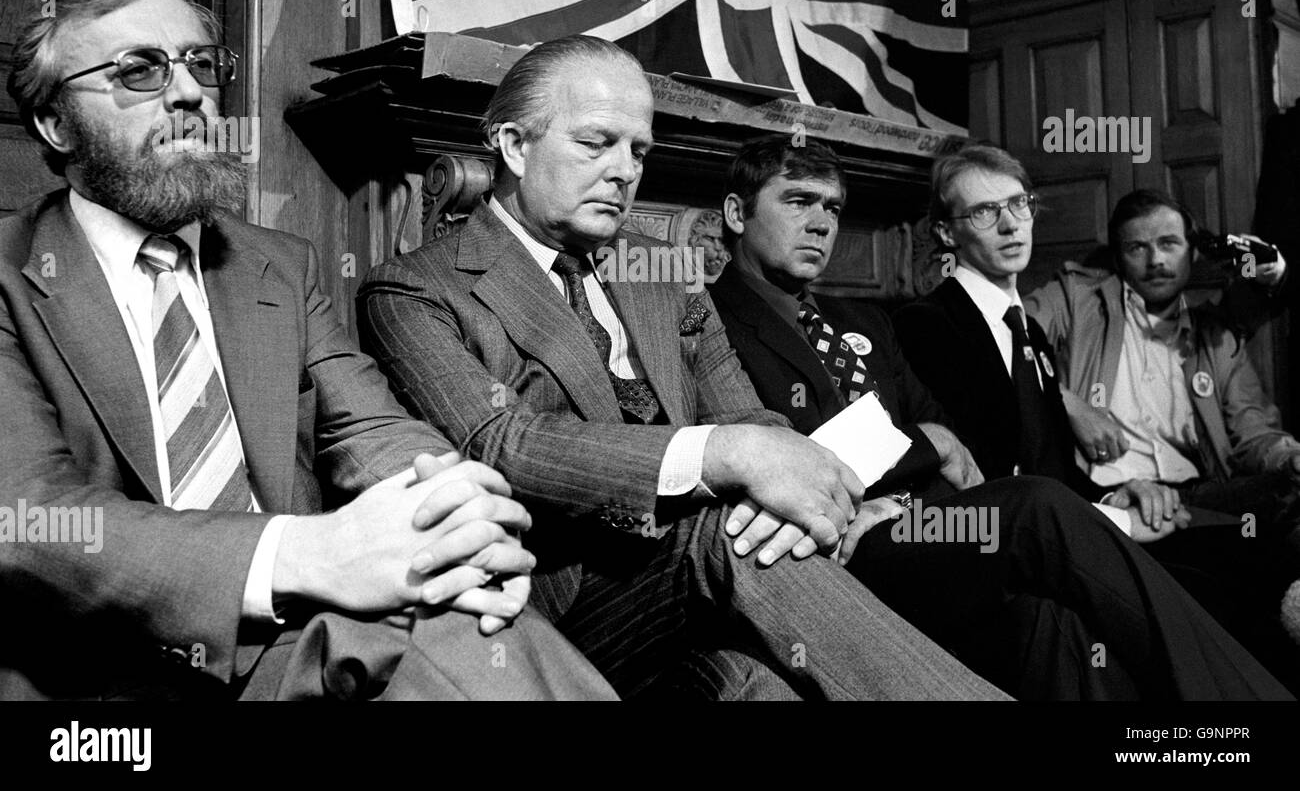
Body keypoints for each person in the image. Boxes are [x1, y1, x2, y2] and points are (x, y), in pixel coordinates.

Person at [0, 0, 615, 700]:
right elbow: (30, 522)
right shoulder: (9, 272)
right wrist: (308, 553)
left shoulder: (278, 265)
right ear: (55, 123)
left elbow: (369, 429)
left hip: (295, 640)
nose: (190, 92)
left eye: (199, 63)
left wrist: (454, 509)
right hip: (104, 668)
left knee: (472, 622)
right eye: (140, 71)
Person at [357, 34, 1010, 700]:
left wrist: (771, 479)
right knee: (726, 535)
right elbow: (501, 446)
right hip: (545, 613)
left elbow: (750, 417)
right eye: (595, 142)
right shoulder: (413, 290)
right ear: (516, 146)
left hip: (693, 596)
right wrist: (724, 455)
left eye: (637, 150)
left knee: (753, 684)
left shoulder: (662, 272)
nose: (624, 171)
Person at [708, 132, 1294, 699]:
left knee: (1057, 620)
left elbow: (945, 438)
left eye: (833, 207)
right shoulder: (710, 324)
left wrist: (922, 460)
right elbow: (797, 454)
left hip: (927, 520)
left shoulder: (862, 320)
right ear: (737, 212)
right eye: (798, 202)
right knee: (1038, 507)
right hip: (847, 548)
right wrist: (921, 450)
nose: (821, 223)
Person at [893, 144, 1294, 696]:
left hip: (1086, 515)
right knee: (1193, 596)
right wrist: (1112, 518)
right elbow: (986, 483)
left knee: (1238, 570)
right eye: (985, 212)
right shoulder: (930, 324)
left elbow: (1050, 466)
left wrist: (1117, 496)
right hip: (1010, 544)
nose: (1011, 225)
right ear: (944, 233)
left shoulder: (1025, 332)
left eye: (1019, 204)